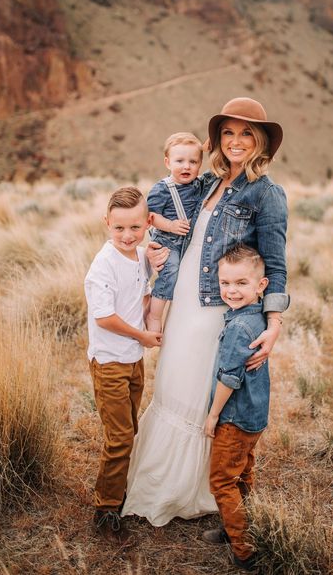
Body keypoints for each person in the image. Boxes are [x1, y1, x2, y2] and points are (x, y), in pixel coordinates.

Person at [122, 97, 289, 526]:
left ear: (261, 141)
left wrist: (274, 323)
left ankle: (199, 488)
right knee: (172, 385)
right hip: (184, 302)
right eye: (229, 132)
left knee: (198, 396)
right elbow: (184, 238)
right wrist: (155, 254)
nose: (236, 141)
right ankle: (162, 482)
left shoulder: (267, 193)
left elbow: (275, 262)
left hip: (218, 311)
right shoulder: (207, 182)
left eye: (247, 133)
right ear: (218, 139)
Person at [84, 186, 162, 542]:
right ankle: (106, 510)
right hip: (111, 361)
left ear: (146, 223)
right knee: (118, 438)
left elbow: (144, 291)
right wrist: (143, 336)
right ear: (106, 223)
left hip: (133, 361)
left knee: (129, 431)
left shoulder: (140, 254)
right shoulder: (102, 266)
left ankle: (120, 491)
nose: (128, 236)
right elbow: (105, 319)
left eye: (135, 228)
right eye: (119, 229)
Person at [203, 245, 270, 573]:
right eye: (225, 282)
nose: (231, 290)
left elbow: (229, 378)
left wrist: (214, 415)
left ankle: (244, 550)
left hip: (234, 418)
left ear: (261, 285)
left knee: (222, 480)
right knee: (243, 474)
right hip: (255, 418)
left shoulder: (238, 329)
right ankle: (238, 530)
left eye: (241, 283)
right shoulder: (256, 318)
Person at [146, 132, 203, 332]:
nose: (186, 166)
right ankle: (153, 316)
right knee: (170, 273)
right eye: (179, 161)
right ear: (167, 162)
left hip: (188, 242)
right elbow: (151, 216)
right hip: (167, 241)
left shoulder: (200, 185)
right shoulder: (162, 189)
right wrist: (170, 225)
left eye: (193, 161)